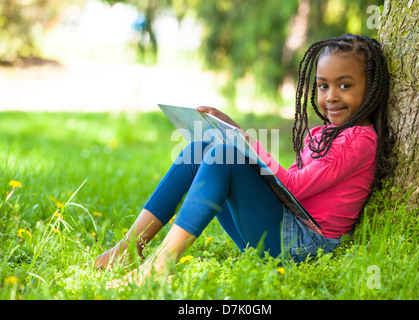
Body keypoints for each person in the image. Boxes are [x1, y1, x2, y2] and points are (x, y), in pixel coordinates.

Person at [94, 33, 396, 288]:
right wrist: (236, 140)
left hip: (307, 247)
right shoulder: (322, 133)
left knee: (225, 155)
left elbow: (296, 189)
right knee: (202, 147)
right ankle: (130, 248)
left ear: (371, 88)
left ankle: (160, 265)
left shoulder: (360, 140)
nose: (331, 96)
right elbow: (288, 187)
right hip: (284, 233)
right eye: (322, 85)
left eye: (345, 85)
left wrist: (242, 139)